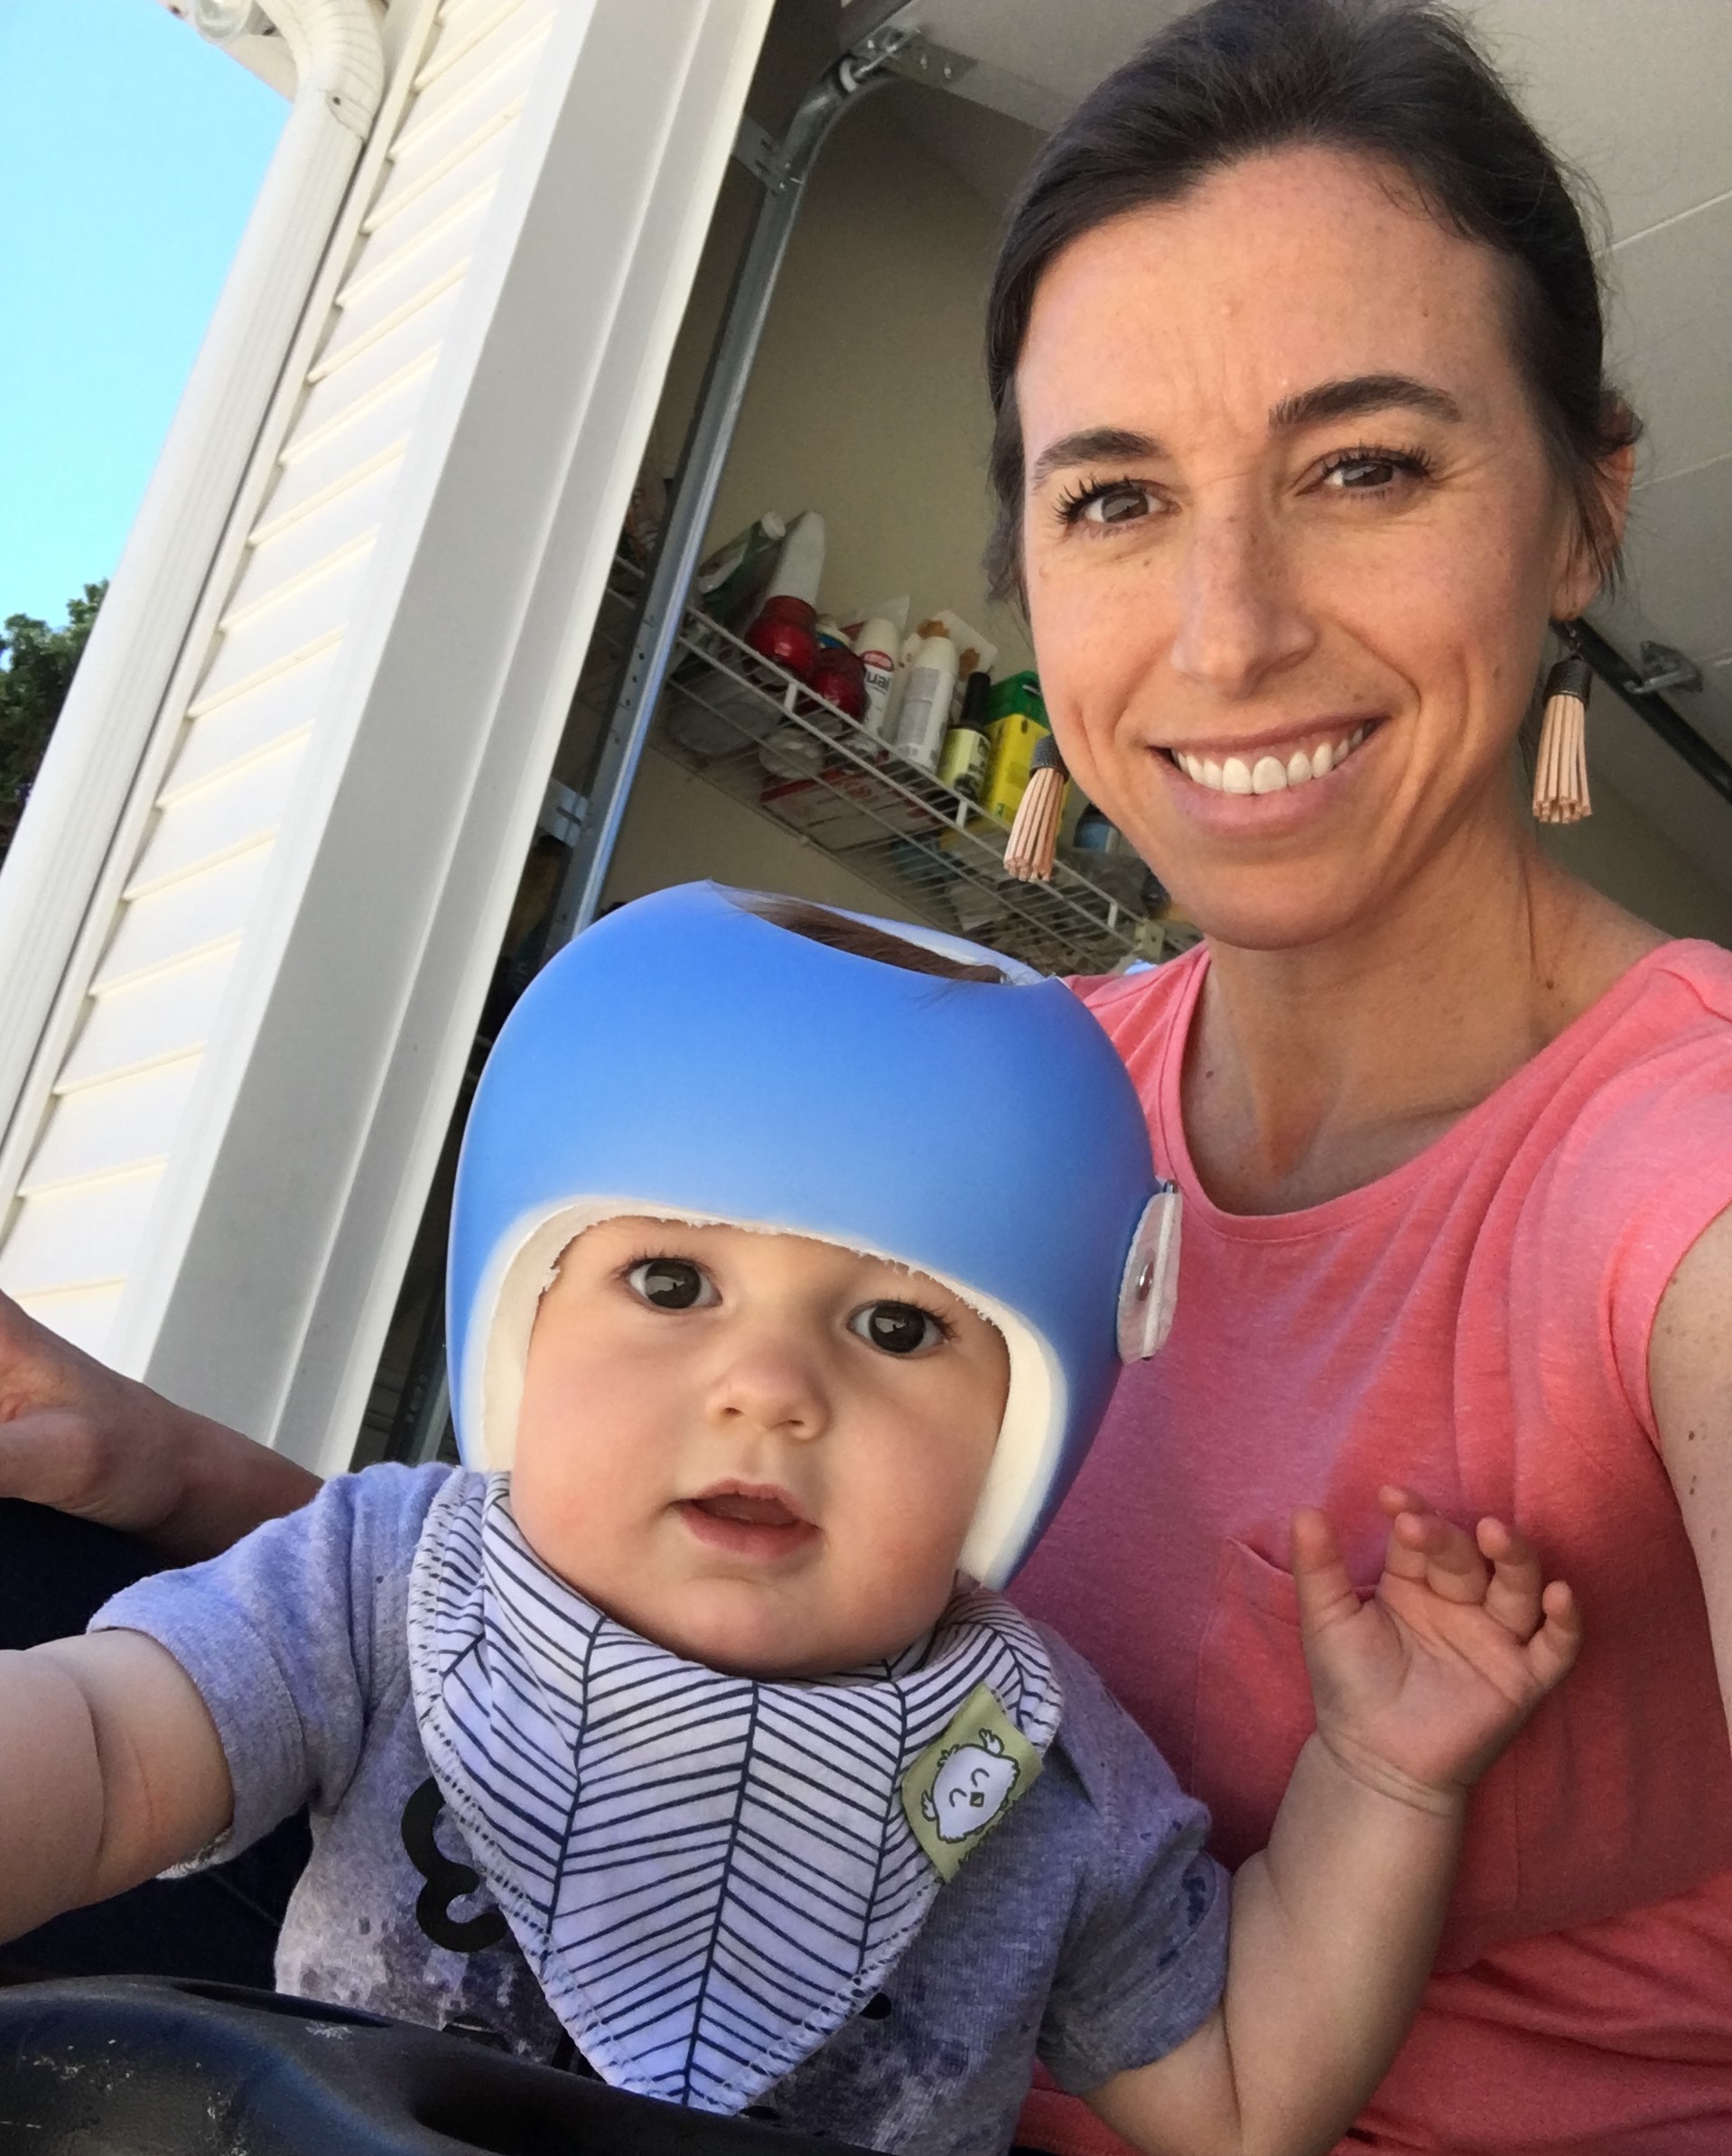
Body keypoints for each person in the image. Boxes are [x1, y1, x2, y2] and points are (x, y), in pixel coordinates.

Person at [0, 0, 1728, 2146]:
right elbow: (603, 1620)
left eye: (1360, 467)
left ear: (1580, 509)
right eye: (1115, 497)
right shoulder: (1020, 1110)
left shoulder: (1680, 1178)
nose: (1225, 629)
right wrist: (170, 1469)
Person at [0, 882, 1580, 2156]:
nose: (767, 1391)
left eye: (896, 1328)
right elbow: (105, 1749)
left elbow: (1238, 2105)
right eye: (670, 1282)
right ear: (514, 1321)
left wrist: (1384, 1783)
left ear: (1025, 1433)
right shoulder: (381, 1584)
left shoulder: (1032, 1764)